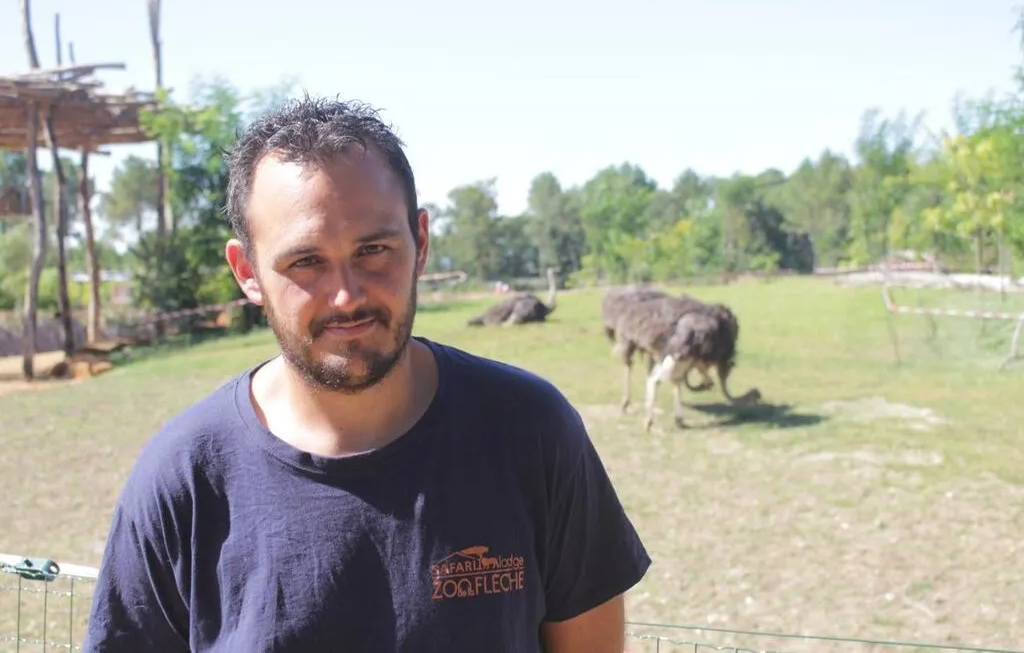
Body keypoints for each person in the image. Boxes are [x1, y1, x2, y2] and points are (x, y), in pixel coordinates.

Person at [83, 95, 652, 652]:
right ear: (247, 272)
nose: (347, 296)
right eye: (306, 261)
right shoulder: (184, 476)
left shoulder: (530, 430)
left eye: (373, 249)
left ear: (420, 243)